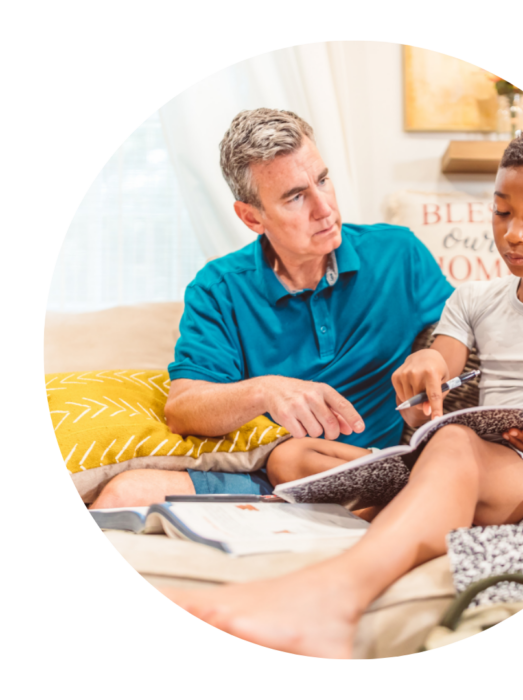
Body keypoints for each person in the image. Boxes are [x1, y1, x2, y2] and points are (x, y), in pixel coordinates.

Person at [159, 124, 523, 660]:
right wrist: (425, 362)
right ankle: (428, 505)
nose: (514, 234)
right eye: (500, 213)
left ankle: (335, 596)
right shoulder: (474, 300)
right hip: (481, 469)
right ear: (251, 215)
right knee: (293, 456)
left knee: (451, 446)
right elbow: (442, 353)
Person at [88, 108, 454, 510]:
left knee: (294, 459)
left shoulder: (398, 252)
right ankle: (388, 498)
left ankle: (399, 491)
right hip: (265, 469)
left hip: (359, 462)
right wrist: (267, 389)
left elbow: (463, 328)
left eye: (323, 180)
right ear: (251, 217)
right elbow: (183, 409)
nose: (324, 208)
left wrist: (432, 352)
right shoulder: (219, 287)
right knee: (121, 495)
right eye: (296, 197)